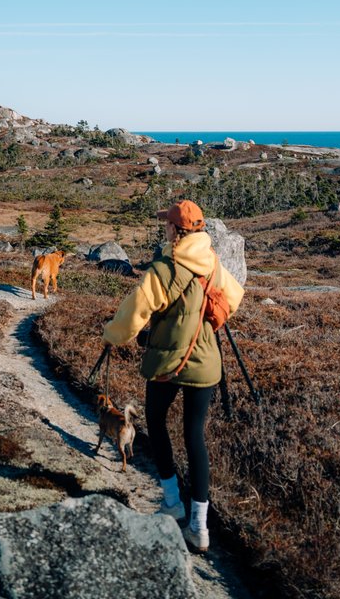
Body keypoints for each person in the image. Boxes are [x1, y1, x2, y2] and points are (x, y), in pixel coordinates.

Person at [102, 199, 244, 552]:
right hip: (207, 362)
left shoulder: (164, 269)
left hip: (168, 364)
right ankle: (199, 527)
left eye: (167, 223)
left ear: (174, 229)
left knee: (157, 422)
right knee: (194, 437)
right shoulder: (211, 262)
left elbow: (134, 313)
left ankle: (171, 503)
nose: (164, 226)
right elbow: (235, 297)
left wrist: (112, 335)